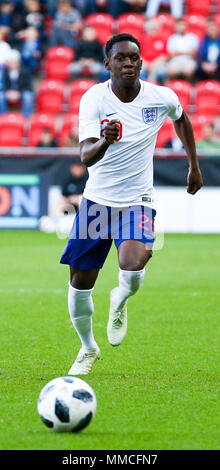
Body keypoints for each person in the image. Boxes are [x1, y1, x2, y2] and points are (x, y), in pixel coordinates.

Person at [60, 33, 203, 375]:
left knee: (133, 266)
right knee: (80, 282)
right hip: (97, 202)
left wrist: (193, 165)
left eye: (133, 58)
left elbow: (181, 117)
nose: (128, 63)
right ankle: (87, 347)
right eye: (121, 58)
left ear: (141, 62)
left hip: (137, 200)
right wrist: (105, 142)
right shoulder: (93, 99)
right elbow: (85, 156)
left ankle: (119, 301)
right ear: (107, 63)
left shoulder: (160, 96)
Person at [0, 49, 34, 117]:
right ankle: (3, 117)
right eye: (10, 62)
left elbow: (28, 86)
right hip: (9, 93)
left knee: (28, 96)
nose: (12, 64)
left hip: (21, 92)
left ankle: (25, 117)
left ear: (18, 62)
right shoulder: (4, 72)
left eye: (14, 62)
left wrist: (19, 93)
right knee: (1, 96)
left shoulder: (25, 71)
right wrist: (8, 92)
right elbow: (3, 85)